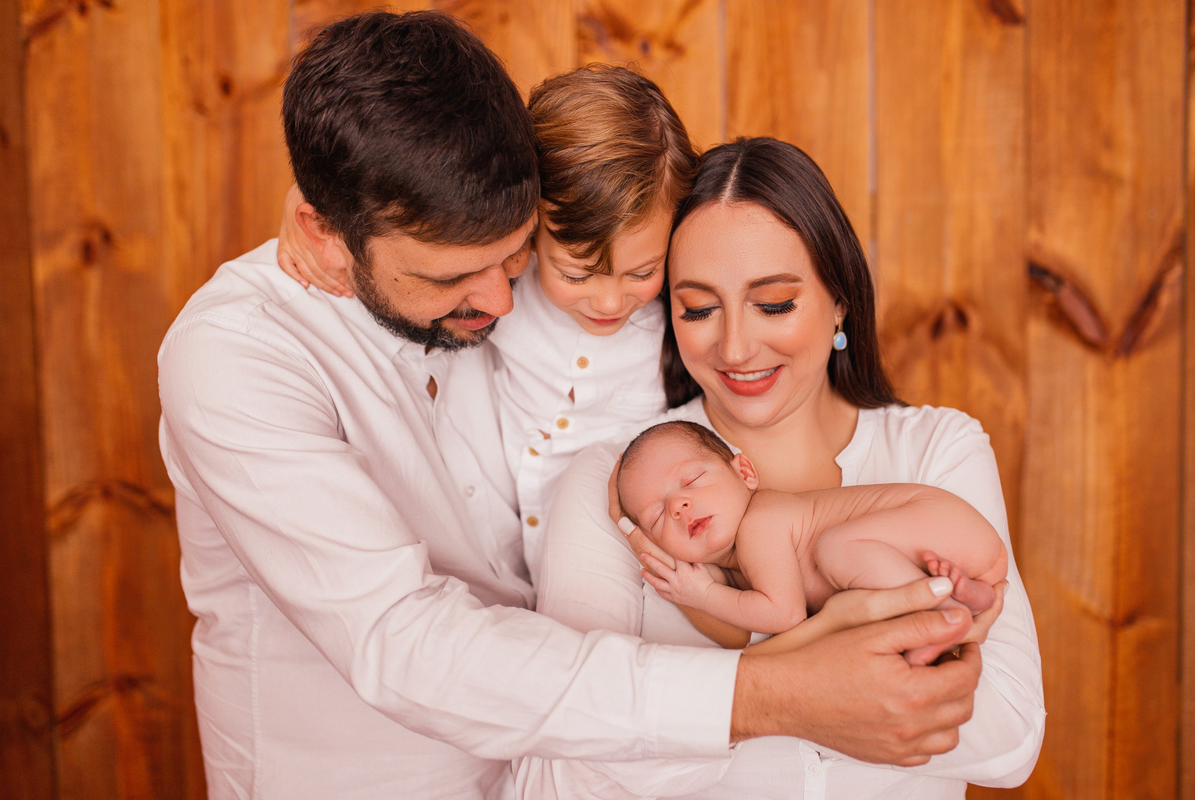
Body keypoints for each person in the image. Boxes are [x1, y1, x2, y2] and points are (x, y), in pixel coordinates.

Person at [159, 10, 995, 799]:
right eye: (452, 278)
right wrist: (770, 692)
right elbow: (401, 643)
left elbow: (630, 176)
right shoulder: (236, 359)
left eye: (519, 255)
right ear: (318, 231)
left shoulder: (511, 270)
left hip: (550, 772)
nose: (500, 303)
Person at [516, 138, 1044, 799]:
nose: (735, 346)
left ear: (840, 301)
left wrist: (696, 708)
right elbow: (575, 765)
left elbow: (1010, 740)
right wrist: (803, 685)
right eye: (699, 309)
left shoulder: (937, 449)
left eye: (773, 304)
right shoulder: (620, 483)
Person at [279, 64, 698, 584]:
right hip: (523, 574)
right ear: (532, 226)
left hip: (641, 566)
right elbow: (430, 173)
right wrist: (302, 196)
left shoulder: (681, 323)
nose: (611, 300)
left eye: (642, 272)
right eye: (578, 273)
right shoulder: (506, 286)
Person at [616, 420, 1006, 664]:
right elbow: (740, 630)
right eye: (658, 515)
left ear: (745, 472)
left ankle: (940, 611)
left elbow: (785, 616)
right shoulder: (737, 570)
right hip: (952, 549)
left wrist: (701, 595)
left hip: (940, 520)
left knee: (836, 548)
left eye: (691, 481)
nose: (680, 506)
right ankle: (965, 597)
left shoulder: (761, 521)